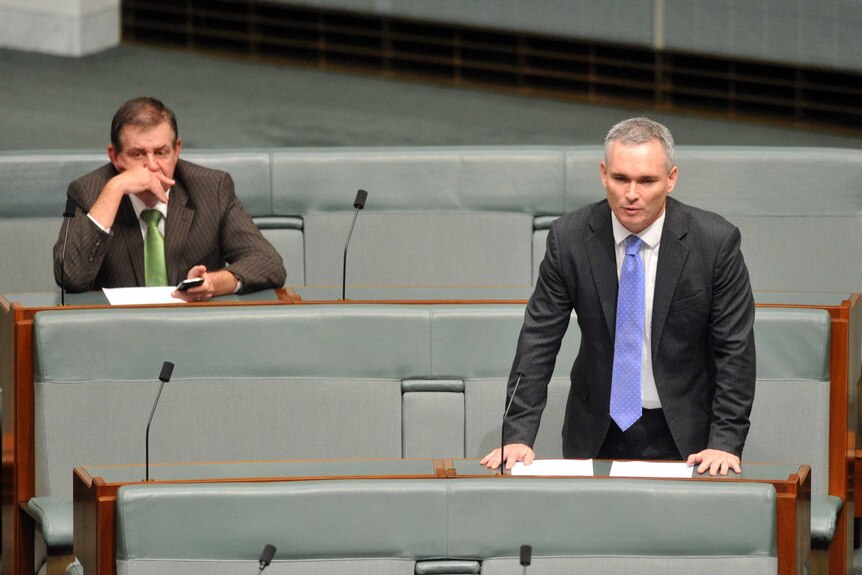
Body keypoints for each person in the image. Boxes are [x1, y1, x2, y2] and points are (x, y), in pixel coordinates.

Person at [481, 117, 755, 476]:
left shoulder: (715, 242)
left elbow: (734, 350)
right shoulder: (569, 239)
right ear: (603, 174)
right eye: (621, 178)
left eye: (647, 181)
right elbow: (539, 339)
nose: (631, 194)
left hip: (688, 433)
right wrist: (517, 433)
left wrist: (724, 441)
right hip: (596, 428)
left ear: (671, 179)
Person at [53, 97, 286, 301]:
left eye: (161, 153)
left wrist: (214, 283)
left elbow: (268, 262)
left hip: (197, 332)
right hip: (120, 335)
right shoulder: (90, 192)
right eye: (138, 154)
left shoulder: (211, 189)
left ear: (177, 150)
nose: (152, 166)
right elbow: (70, 278)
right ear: (115, 157)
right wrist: (115, 188)